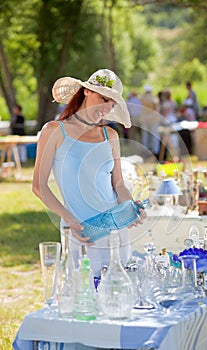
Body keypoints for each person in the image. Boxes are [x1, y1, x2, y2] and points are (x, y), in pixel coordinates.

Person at [32, 69, 145, 277]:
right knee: (81, 299)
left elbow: (118, 185)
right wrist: (69, 219)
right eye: (103, 98)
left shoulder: (110, 135)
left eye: (111, 103)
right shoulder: (55, 131)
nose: (106, 107)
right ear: (86, 91)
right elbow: (39, 186)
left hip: (114, 231)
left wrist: (130, 207)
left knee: (118, 298)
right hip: (80, 232)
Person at [139, 84, 160, 157]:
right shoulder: (154, 98)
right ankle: (155, 151)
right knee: (154, 135)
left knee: (145, 136)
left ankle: (146, 151)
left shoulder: (142, 97)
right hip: (152, 119)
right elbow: (157, 110)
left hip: (144, 118)